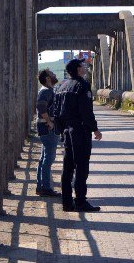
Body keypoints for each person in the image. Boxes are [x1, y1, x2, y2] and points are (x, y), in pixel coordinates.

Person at [54, 58, 103, 212]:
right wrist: (95, 129)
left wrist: (60, 130)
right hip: (80, 131)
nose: (84, 67)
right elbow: (86, 111)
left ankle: (67, 202)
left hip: (67, 131)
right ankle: (81, 201)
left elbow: (56, 111)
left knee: (68, 167)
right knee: (81, 166)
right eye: (82, 66)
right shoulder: (82, 85)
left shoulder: (61, 86)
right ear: (77, 69)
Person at [35, 69, 61, 197]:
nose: (54, 74)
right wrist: (50, 122)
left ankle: (41, 186)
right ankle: (45, 187)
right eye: (52, 74)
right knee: (48, 158)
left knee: (44, 158)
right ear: (47, 79)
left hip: (46, 127)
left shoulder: (47, 90)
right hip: (48, 128)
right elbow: (41, 108)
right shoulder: (45, 91)